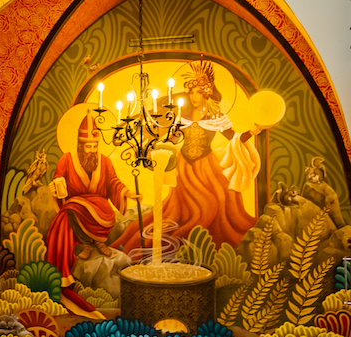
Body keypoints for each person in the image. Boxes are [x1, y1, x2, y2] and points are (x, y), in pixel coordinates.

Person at [111, 59, 259, 252]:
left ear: (207, 93)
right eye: (191, 91)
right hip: (184, 166)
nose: (193, 96)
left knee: (215, 203)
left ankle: (207, 243)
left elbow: (234, 138)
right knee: (181, 208)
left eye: (198, 91)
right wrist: (159, 147)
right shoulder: (184, 116)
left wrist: (255, 130)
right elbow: (175, 136)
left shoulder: (216, 118)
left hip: (206, 166)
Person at [45, 113, 136, 317]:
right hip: (76, 205)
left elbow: (113, 182)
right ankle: (85, 247)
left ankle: (98, 242)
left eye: (95, 146)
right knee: (68, 213)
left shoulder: (104, 162)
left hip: (100, 205)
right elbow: (58, 178)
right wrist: (55, 186)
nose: (92, 150)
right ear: (80, 145)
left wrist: (127, 193)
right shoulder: (67, 160)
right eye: (88, 146)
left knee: (104, 211)